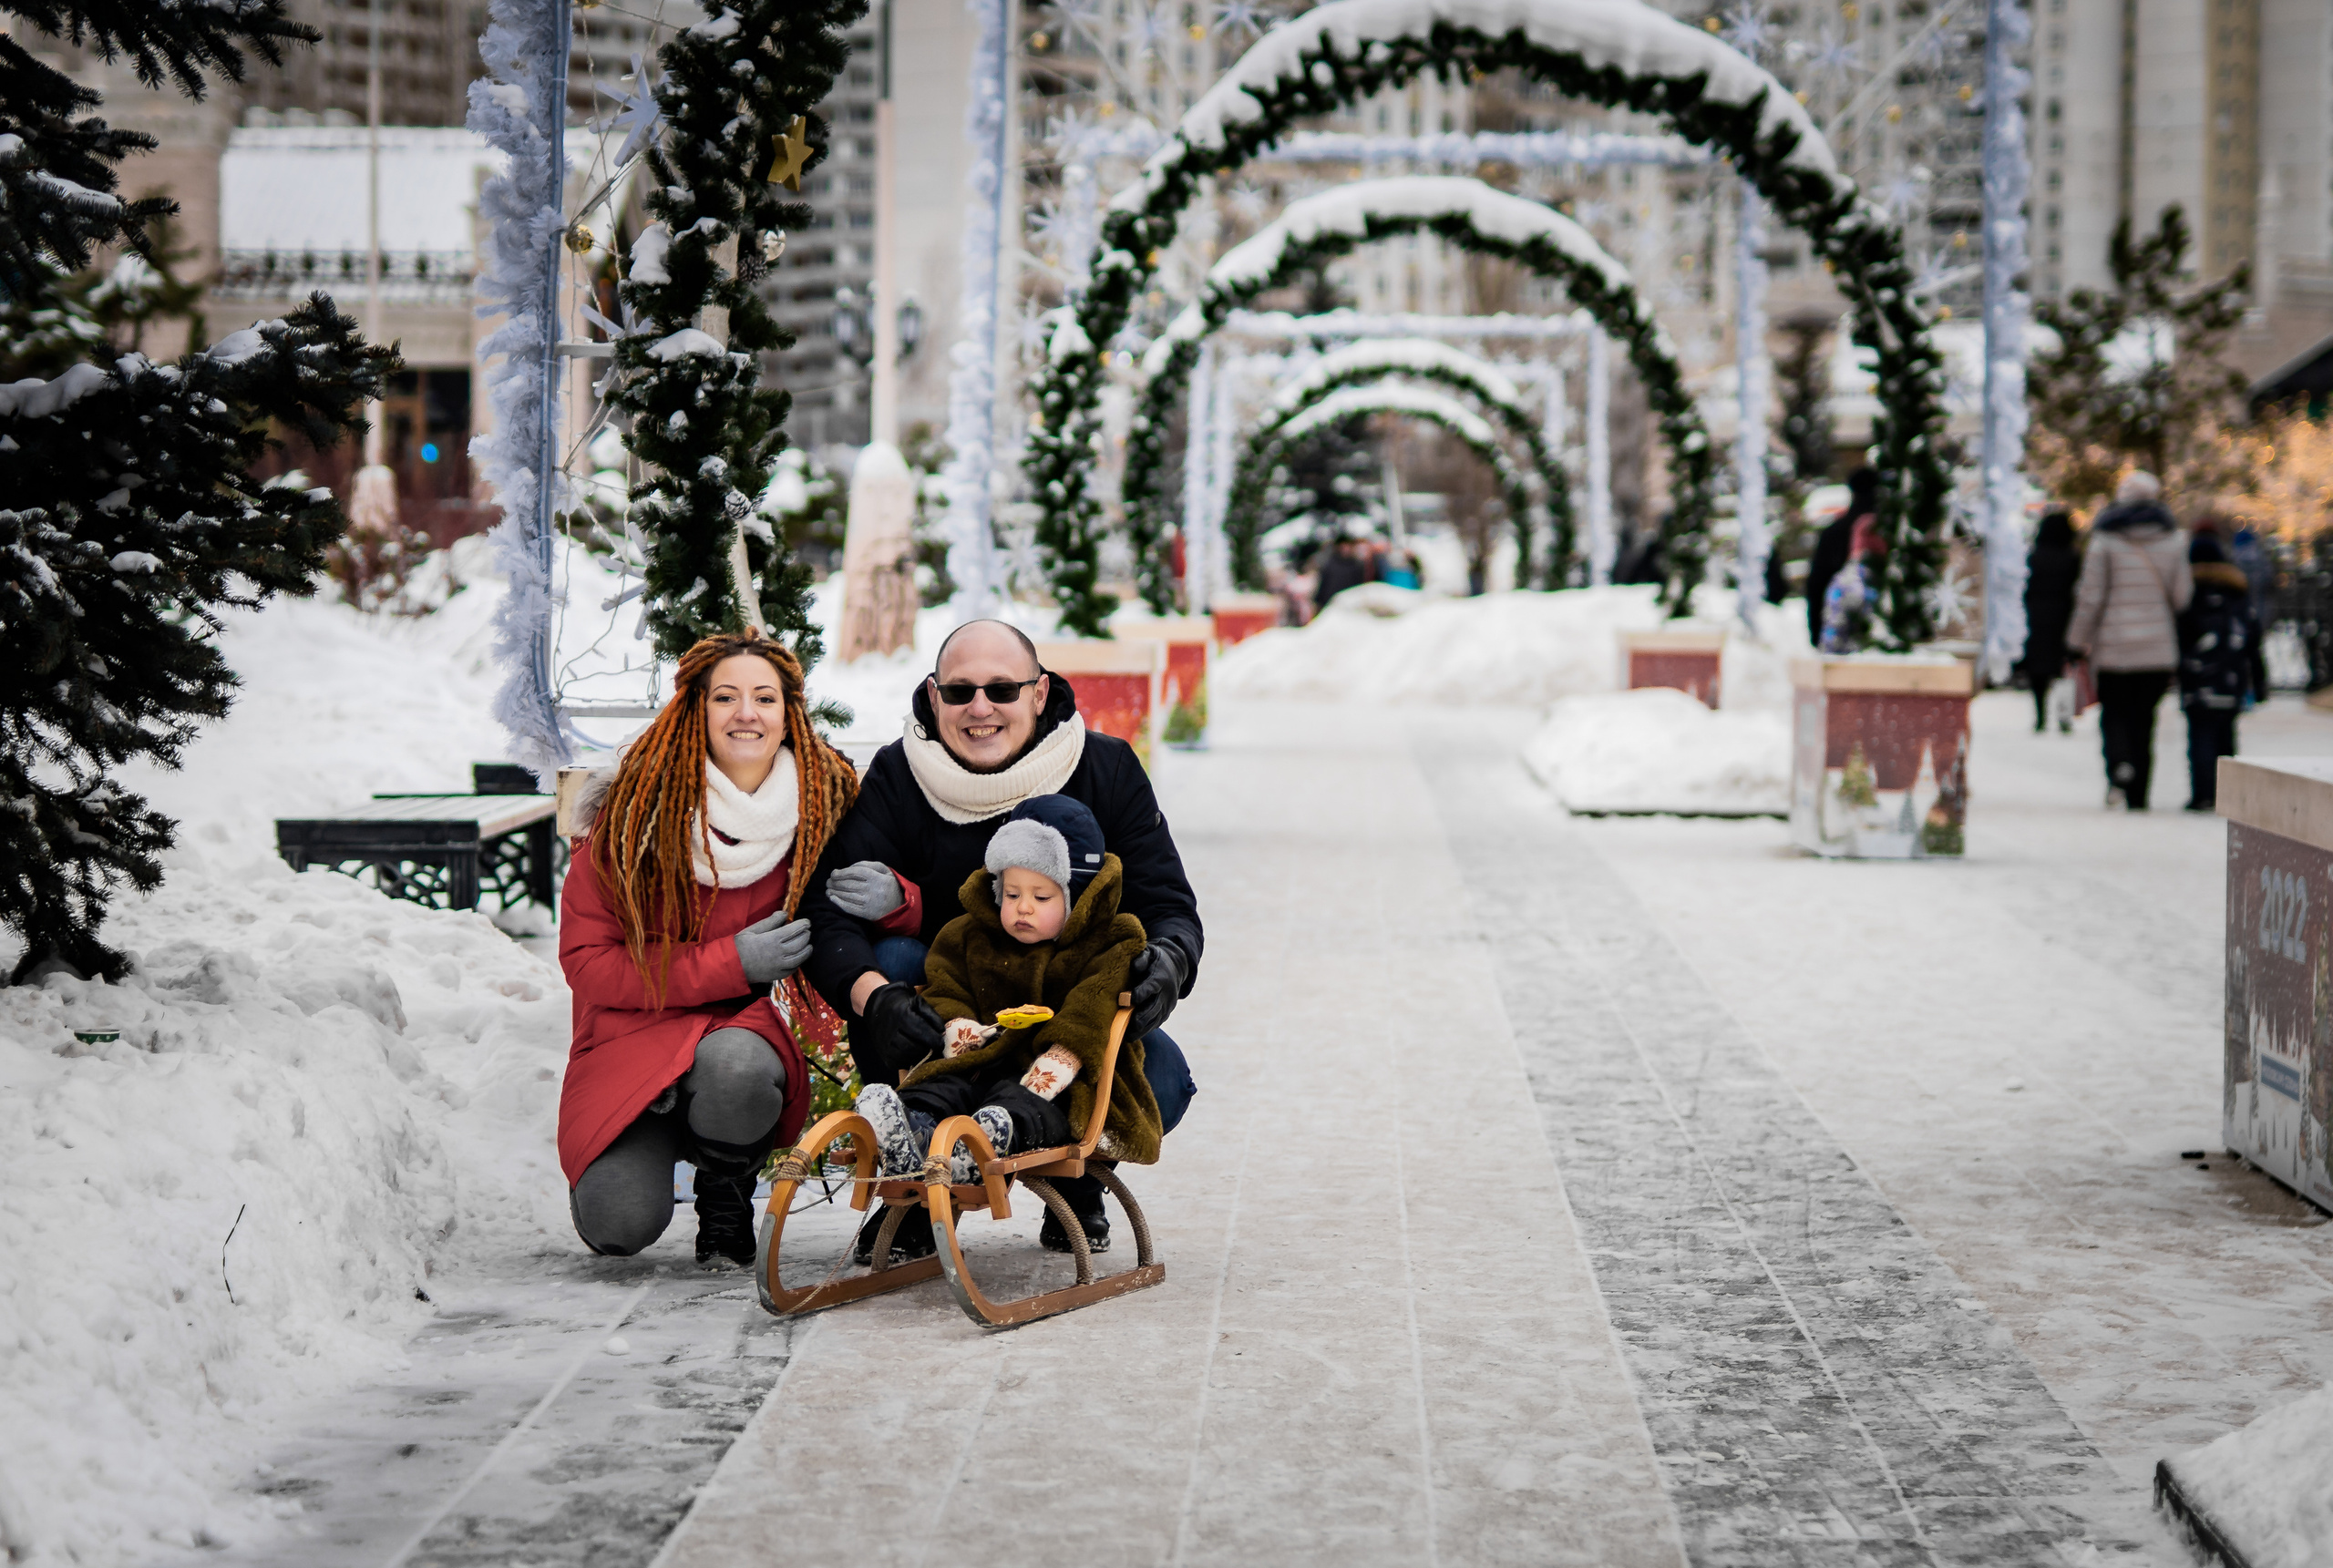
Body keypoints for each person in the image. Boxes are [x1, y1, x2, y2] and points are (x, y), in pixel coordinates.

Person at [801, 620, 1202, 1259]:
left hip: (1068, 1011)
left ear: (1039, 694)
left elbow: (1167, 903)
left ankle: (1073, 1175)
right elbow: (829, 912)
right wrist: (875, 997)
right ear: (933, 697)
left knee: (1163, 1076)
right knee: (892, 959)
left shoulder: (1102, 766)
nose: (980, 708)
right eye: (959, 692)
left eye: (1002, 689)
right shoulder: (902, 775)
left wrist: (1168, 963)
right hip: (954, 1009)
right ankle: (915, 1189)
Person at [558, 631, 879, 1267]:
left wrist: (898, 898)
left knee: (737, 1070)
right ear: (693, 709)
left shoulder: (821, 807)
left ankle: (725, 1189)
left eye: (764, 697)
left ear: (788, 712)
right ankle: (641, 1148)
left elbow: (889, 897)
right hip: (631, 1044)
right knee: (618, 1224)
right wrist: (730, 963)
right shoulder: (631, 816)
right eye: (725, 697)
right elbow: (587, 962)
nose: (746, 713)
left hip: (740, 1036)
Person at [854, 798, 1160, 1225]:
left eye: (1042, 896)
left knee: (1016, 1106)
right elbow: (946, 984)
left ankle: (979, 1147)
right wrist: (958, 1023)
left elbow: (1093, 1006)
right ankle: (909, 1131)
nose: (1024, 907)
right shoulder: (969, 935)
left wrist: (1061, 1057)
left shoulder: (1109, 943)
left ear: (1080, 897)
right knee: (944, 1089)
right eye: (1012, 894)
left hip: (1051, 1084)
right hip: (979, 1064)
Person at [2068, 471, 2193, 810]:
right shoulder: (2174, 540)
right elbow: (2183, 597)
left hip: (2113, 647)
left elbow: (2090, 598)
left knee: (2115, 715)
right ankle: (2140, 793)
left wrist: (2076, 642)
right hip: (2157, 650)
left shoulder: (2104, 541)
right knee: (2145, 720)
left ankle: (2119, 767)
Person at [2178, 530, 2263, 812]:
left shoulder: (2188, 595)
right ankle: (2226, 793)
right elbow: (2253, 641)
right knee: (2226, 736)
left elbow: (2181, 636)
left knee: (2199, 736)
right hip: (2231, 677)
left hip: (2197, 678)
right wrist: (2259, 682)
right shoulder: (2237, 594)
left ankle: (2202, 793)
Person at [2022, 507, 2081, 733]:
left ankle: (2040, 717)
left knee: (2038, 671)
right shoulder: (2072, 557)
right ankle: (2064, 717)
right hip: (2065, 616)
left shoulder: (2032, 557)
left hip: (2036, 617)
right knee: (2064, 669)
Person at [1804, 468, 1876, 647]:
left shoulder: (1835, 531)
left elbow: (1816, 584)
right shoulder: (1891, 531)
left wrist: (1816, 633)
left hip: (1841, 633)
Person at [1819, 514, 1885, 653]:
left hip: (1850, 662)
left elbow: (1832, 635)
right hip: (1864, 661)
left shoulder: (1845, 580)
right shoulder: (1885, 579)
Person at [1313, 533, 1374, 609]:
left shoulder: (1356, 566)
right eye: (1343, 547)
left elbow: (1359, 586)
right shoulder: (1330, 565)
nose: (1345, 549)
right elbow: (1323, 586)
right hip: (1330, 604)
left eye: (1347, 546)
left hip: (1350, 604)